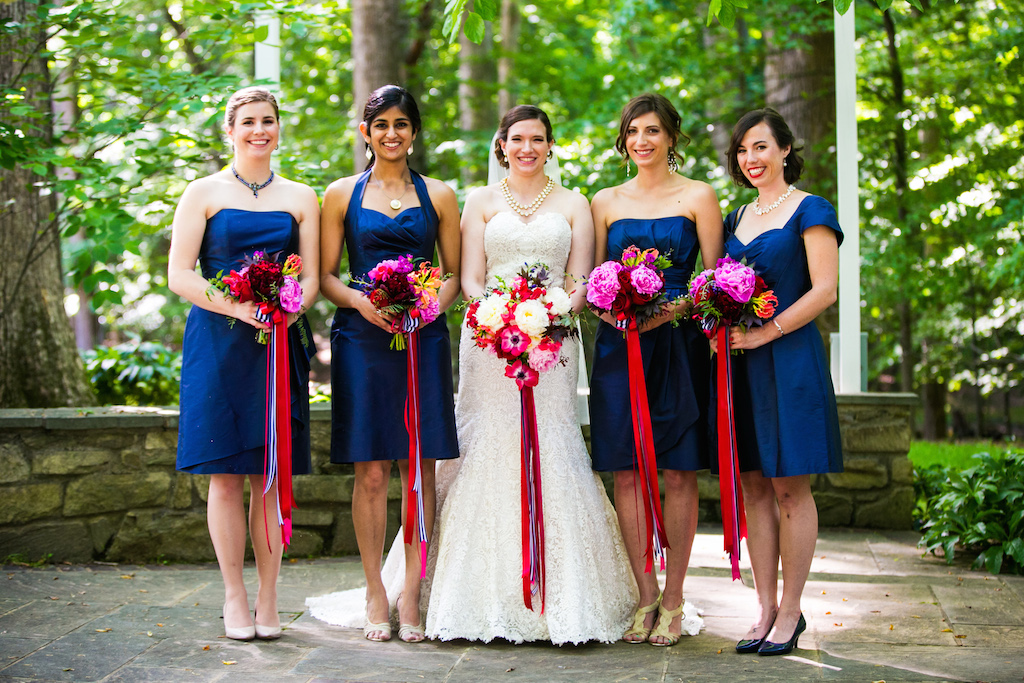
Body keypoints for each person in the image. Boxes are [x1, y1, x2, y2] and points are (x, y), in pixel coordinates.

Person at [421, 105, 636, 645]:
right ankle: (472, 595)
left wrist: (552, 312)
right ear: (502, 145)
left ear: (550, 145)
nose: (527, 148)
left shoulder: (573, 203)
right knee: (487, 445)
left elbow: (581, 276)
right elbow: (469, 278)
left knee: (552, 442)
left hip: (555, 342)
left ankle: (565, 597)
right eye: (517, 139)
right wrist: (501, 313)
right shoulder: (481, 201)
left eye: (537, 139)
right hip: (489, 339)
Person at [169, 86, 320, 641]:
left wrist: (287, 306)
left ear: (280, 129)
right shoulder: (202, 192)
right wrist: (237, 305)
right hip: (219, 342)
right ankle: (234, 594)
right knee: (227, 478)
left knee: (271, 477)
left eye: (270, 121)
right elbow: (180, 274)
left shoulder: (302, 196)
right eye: (250, 121)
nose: (261, 130)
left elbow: (310, 277)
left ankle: (269, 595)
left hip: (279, 344)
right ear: (229, 130)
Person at [318, 85, 461, 643]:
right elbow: (327, 275)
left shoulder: (441, 195)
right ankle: (375, 592)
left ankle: (412, 593)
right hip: (362, 337)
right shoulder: (339, 194)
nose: (392, 134)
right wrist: (361, 302)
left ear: (414, 131)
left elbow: (453, 274)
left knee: (417, 471)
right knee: (372, 470)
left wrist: (429, 307)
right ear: (366, 132)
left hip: (423, 336)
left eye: (402, 124)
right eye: (381, 125)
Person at [588, 94, 723, 646]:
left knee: (678, 470)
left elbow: (714, 280)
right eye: (633, 132)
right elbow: (593, 275)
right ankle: (645, 595)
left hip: (679, 344)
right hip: (619, 347)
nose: (642, 141)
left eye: (652, 131)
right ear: (624, 140)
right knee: (625, 468)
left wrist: (668, 311)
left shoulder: (699, 196)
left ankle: (674, 597)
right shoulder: (604, 200)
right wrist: (612, 309)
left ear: (671, 137)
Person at [721, 107, 843, 656]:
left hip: (789, 358)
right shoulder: (735, 217)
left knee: (791, 486)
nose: (752, 159)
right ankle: (764, 607)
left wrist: (764, 333)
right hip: (740, 365)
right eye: (744, 150)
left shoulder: (811, 210)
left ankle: (792, 611)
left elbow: (824, 290)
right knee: (752, 484)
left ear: (786, 150)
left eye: (762, 147)